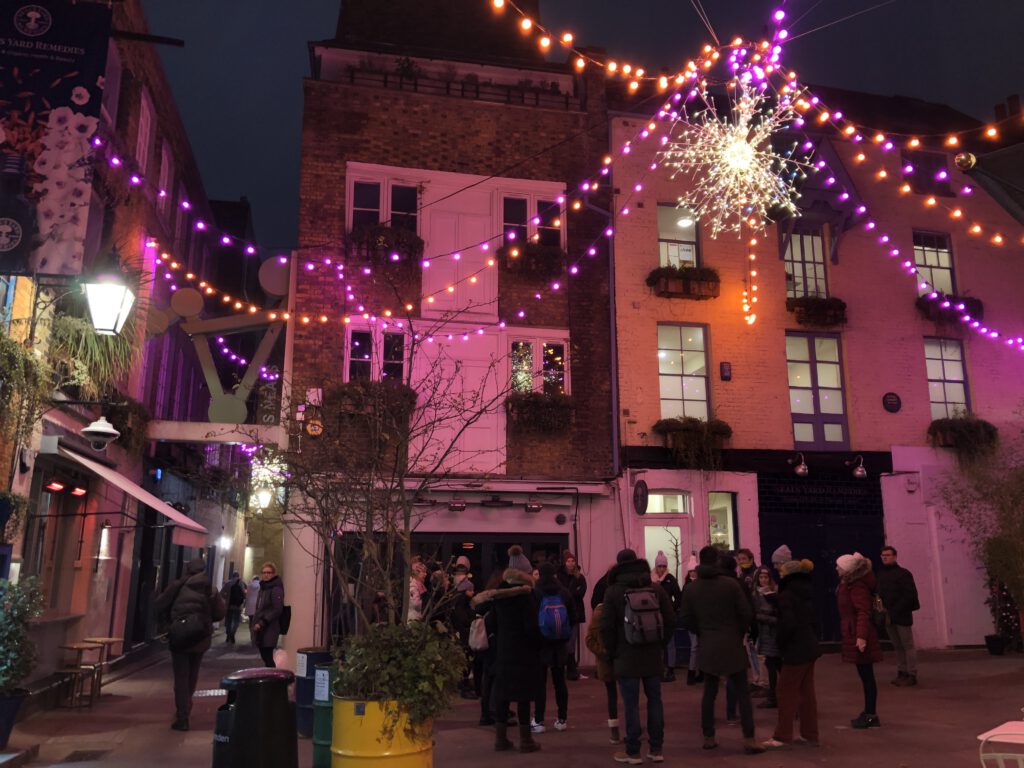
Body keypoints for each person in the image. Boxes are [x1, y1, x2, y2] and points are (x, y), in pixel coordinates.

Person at [681, 546, 764, 755]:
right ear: (717, 561)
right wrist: (738, 632)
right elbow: (746, 613)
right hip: (732, 642)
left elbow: (686, 619)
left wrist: (702, 632)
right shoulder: (730, 585)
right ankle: (749, 738)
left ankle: (709, 736)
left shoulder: (692, 588)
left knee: (709, 692)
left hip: (708, 643)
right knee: (742, 693)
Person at [601, 548, 676, 764]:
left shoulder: (613, 591)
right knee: (655, 700)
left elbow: (606, 626)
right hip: (652, 654)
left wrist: (612, 652)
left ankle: (633, 751)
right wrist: (660, 644)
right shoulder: (655, 589)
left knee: (631, 703)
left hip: (625, 656)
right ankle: (656, 749)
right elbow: (671, 620)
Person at [155, 558, 225, 731]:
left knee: (181, 677)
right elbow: (219, 613)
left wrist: (167, 626)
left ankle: (182, 716)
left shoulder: (177, 586)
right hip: (200, 637)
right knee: (192, 675)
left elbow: (159, 606)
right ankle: (187, 705)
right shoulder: (211, 589)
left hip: (179, 635)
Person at [488, 545, 542, 753]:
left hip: (503, 652)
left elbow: (491, 623)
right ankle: (526, 740)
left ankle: (500, 740)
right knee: (523, 697)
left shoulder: (499, 595)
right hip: (524, 654)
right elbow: (531, 627)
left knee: (502, 695)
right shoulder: (526, 597)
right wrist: (538, 643)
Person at [763, 559, 820, 749]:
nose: (779, 574)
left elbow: (788, 623)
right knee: (806, 692)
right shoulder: (806, 591)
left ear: (789, 575)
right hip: (809, 645)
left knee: (785, 692)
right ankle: (810, 734)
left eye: (782, 572)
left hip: (795, 649)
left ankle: (782, 735)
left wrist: (781, 642)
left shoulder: (787, 595)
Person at [837, 552, 883, 729]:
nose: (836, 568)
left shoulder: (856, 586)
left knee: (867, 677)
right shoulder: (849, 583)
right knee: (865, 676)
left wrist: (861, 636)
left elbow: (863, 611)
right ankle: (869, 712)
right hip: (854, 632)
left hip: (859, 634)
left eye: (839, 566)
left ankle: (871, 714)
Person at [531, 562, 577, 732]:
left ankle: (539, 720)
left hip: (541, 644)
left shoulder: (536, 593)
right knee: (560, 683)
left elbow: (531, 619)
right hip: (560, 644)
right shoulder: (564, 593)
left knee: (540, 683)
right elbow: (573, 616)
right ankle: (562, 719)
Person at [875, 546, 920, 686]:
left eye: (887, 555)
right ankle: (902, 671)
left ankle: (912, 673)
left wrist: (895, 609)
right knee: (897, 645)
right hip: (889, 615)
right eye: (882, 555)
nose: (884, 557)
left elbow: (909, 595)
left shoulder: (903, 574)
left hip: (901, 614)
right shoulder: (881, 574)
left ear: (895, 556)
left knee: (907, 645)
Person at [585, 565, 620, 744]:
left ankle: (614, 731)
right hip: (626, 658)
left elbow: (589, 638)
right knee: (630, 694)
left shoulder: (599, 611)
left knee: (612, 693)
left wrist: (602, 652)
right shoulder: (626, 603)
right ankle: (633, 729)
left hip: (607, 659)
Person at [650, 551, 682, 683]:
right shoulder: (650, 580)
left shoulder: (670, 579)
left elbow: (678, 597)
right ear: (656, 566)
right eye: (659, 566)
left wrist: (671, 608)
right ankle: (658, 669)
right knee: (657, 644)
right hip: (653, 617)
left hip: (667, 617)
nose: (662, 569)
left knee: (670, 643)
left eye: (664, 566)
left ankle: (670, 669)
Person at [555, 550, 587, 681]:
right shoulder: (558, 576)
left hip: (575, 613)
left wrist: (569, 593)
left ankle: (571, 670)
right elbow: (561, 593)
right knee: (564, 642)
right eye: (568, 561)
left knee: (571, 642)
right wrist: (572, 592)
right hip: (562, 613)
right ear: (564, 562)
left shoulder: (579, 577)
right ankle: (569, 670)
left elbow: (581, 593)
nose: (571, 563)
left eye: (573, 561)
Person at [752, 566, 780, 709]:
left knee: (775, 664)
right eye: (761, 578)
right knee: (770, 665)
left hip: (774, 633)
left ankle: (776, 695)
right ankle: (773, 695)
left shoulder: (775, 592)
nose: (763, 580)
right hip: (764, 634)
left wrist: (765, 617)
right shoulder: (755, 595)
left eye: (766, 578)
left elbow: (778, 612)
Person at [251, 561, 285, 667]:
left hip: (270, 627)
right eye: (264, 572)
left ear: (273, 573)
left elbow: (277, 609)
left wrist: (262, 622)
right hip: (261, 627)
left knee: (268, 656)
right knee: (265, 656)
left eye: (269, 572)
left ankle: (273, 679)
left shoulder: (276, 589)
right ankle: (271, 677)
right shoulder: (263, 588)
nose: (266, 574)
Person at [681, 568, 702, 685]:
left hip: (699, 620)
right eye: (690, 571)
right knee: (695, 647)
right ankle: (692, 672)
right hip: (693, 621)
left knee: (698, 647)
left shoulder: (696, 586)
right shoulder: (687, 587)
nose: (693, 573)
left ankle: (697, 671)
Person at [220, 570, 246, 644]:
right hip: (238, 606)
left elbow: (221, 593)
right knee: (236, 621)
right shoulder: (241, 583)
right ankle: (232, 634)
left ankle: (228, 635)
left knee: (228, 621)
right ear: (238, 576)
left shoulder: (228, 583)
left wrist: (227, 597)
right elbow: (244, 595)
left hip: (229, 605)